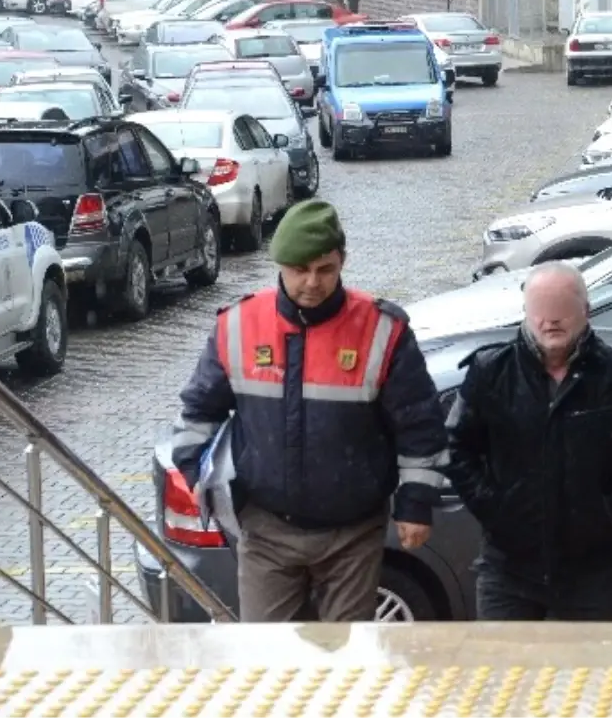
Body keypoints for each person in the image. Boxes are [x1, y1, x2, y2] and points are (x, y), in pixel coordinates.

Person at [170, 199, 448, 623]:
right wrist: (192, 469)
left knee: (344, 662)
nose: (313, 283)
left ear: (343, 263)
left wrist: (415, 503)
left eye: (326, 269)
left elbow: (419, 424)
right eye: (300, 270)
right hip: (265, 529)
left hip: (352, 534)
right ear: (279, 264)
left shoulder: (381, 330)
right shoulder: (238, 326)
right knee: (269, 662)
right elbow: (198, 410)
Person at [445, 261, 612, 620]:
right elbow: (456, 448)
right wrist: (495, 509)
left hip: (592, 570)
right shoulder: (491, 371)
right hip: (508, 567)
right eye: (540, 312)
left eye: (562, 311)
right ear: (526, 313)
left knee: (590, 673)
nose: (551, 322)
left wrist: (608, 513)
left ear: (586, 310)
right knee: (506, 672)